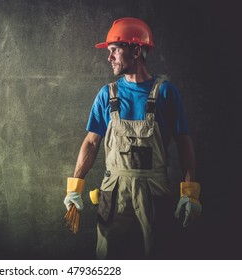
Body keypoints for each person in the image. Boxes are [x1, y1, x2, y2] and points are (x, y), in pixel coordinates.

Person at [63, 17, 202, 259]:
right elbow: (91, 142)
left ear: (136, 50)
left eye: (115, 50)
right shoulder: (107, 95)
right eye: (109, 51)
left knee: (160, 256)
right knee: (106, 257)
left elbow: (184, 142)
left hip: (154, 188)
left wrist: (189, 192)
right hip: (115, 189)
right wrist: (75, 188)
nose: (110, 58)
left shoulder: (166, 93)